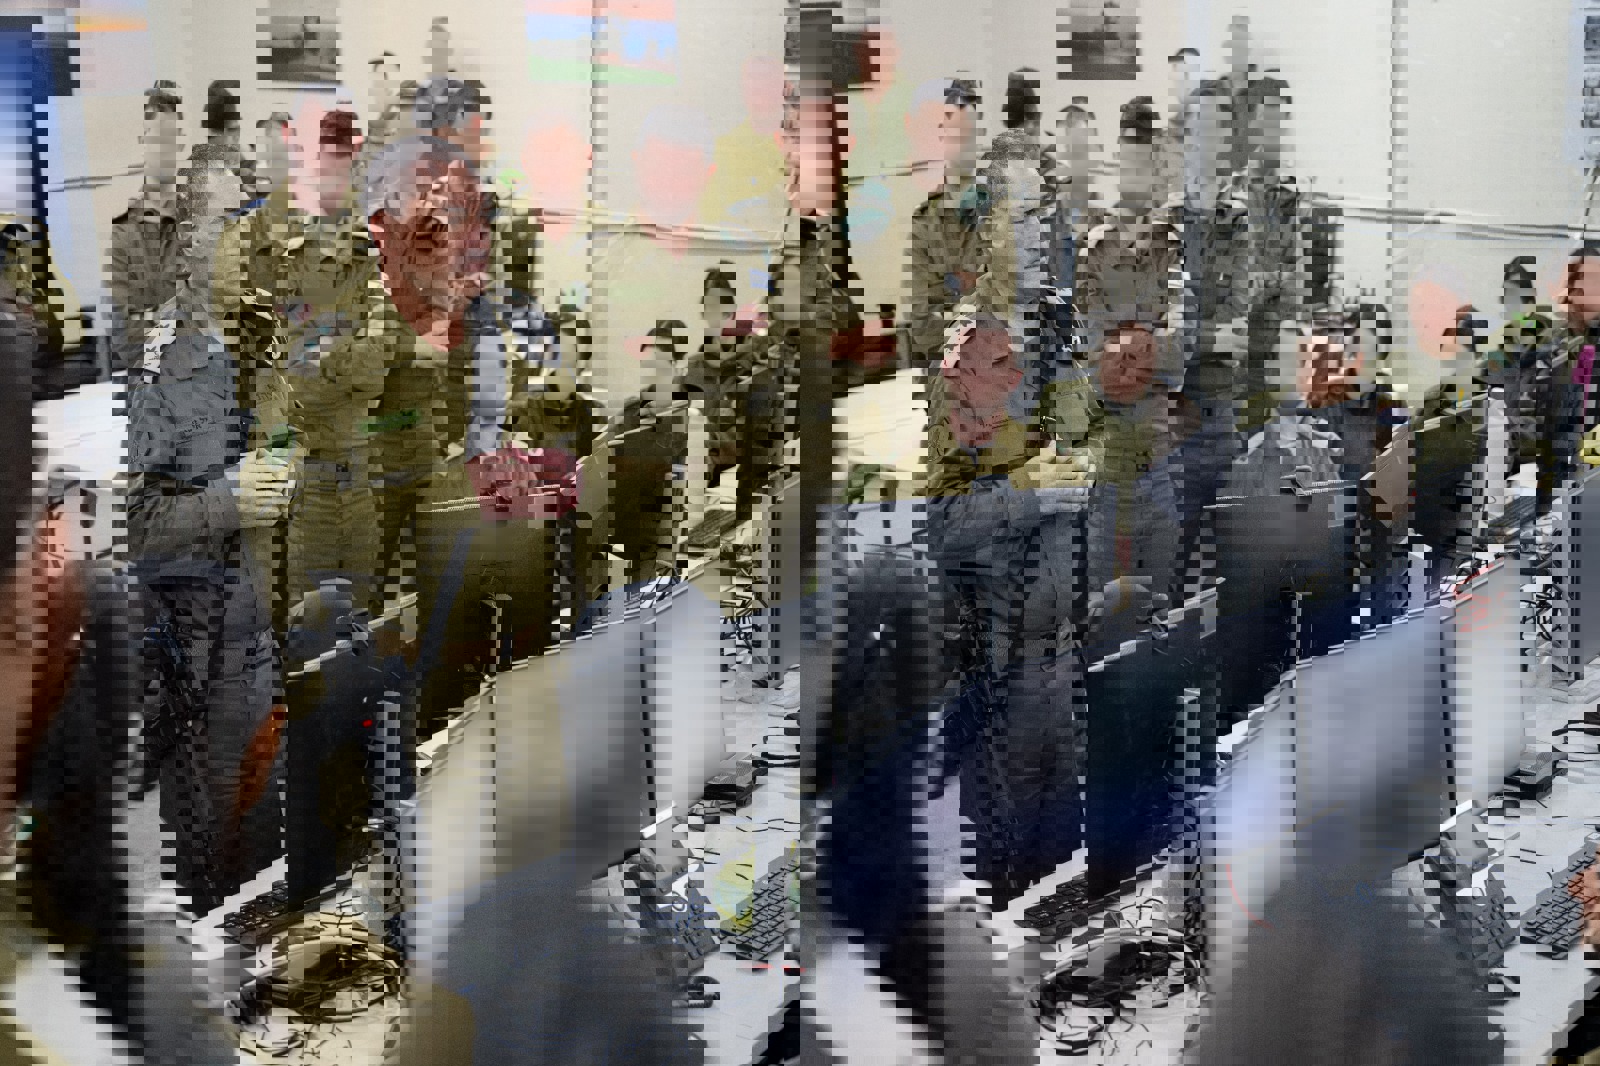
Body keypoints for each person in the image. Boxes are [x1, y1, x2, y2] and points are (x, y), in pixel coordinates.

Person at [126, 156, 292, 916]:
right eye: (229, 225)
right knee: (210, 850)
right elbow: (139, 527)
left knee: (260, 832)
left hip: (255, 626)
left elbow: (279, 446)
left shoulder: (255, 336)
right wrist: (229, 501)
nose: (247, 237)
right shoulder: (161, 369)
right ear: (191, 243)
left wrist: (283, 466)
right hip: (195, 656)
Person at [908, 76, 985, 371]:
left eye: (970, 133)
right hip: (946, 369)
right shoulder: (925, 222)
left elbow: (1015, 303)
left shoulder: (1002, 213)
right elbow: (922, 319)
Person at [109, 81, 184, 372]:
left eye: (170, 138)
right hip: (149, 381)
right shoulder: (123, 233)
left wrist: (155, 318)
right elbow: (125, 334)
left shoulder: (201, 225)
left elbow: (217, 316)